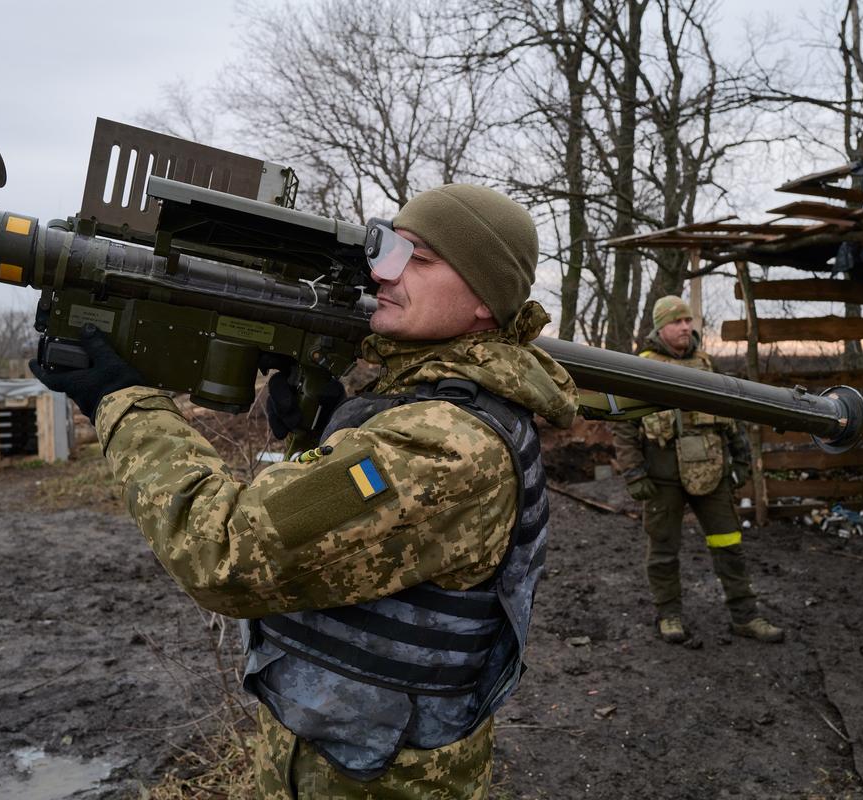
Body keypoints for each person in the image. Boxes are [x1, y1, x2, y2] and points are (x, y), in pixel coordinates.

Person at [31, 184, 578, 798]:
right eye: (392, 250)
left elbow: (225, 554)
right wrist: (317, 433)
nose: (384, 272)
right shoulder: (422, 403)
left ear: (485, 301)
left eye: (418, 260)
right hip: (340, 759)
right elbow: (346, 548)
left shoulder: (448, 446)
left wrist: (123, 404)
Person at [611, 295, 784, 645]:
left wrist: (740, 461)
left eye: (689, 320)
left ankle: (745, 616)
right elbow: (624, 426)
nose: (686, 327)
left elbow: (729, 416)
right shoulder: (641, 366)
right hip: (662, 478)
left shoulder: (706, 364)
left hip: (712, 473)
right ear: (661, 327)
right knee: (662, 550)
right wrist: (634, 472)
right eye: (678, 321)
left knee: (729, 544)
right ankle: (669, 615)